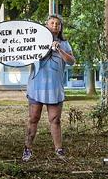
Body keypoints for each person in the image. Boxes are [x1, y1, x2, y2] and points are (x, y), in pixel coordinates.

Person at [22, 14, 75, 161]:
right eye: (52, 23)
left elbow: (71, 61)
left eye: (57, 24)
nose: (55, 26)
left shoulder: (64, 44)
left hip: (55, 88)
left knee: (55, 120)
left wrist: (59, 50)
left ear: (60, 27)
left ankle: (59, 150)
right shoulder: (35, 42)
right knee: (33, 119)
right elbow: (21, 54)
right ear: (46, 25)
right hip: (36, 87)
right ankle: (27, 150)